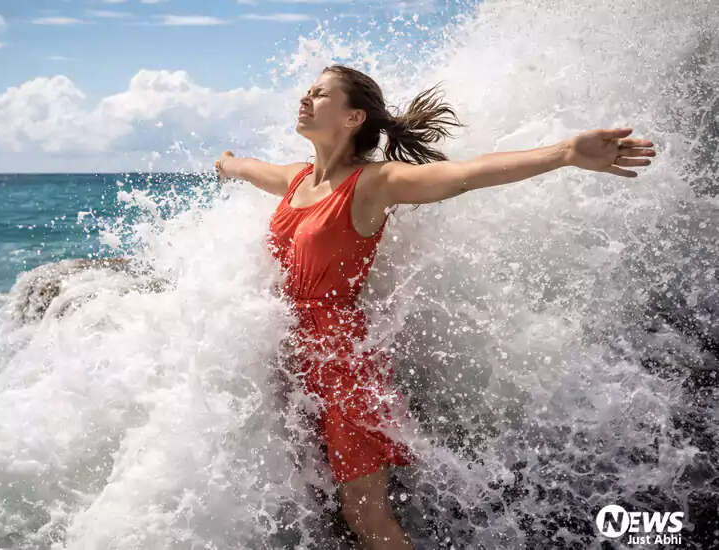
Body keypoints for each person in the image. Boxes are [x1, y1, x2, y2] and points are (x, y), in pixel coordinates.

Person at [214, 64, 656, 550]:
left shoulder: (374, 183)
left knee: (364, 514)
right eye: (307, 91)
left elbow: (464, 176)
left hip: (340, 362)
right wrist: (228, 162)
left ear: (353, 117)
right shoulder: (297, 180)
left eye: (320, 94)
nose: (306, 98)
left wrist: (566, 153)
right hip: (289, 352)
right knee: (315, 502)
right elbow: (249, 169)